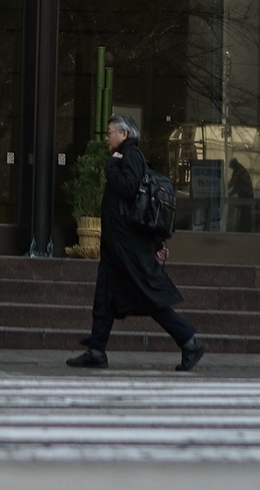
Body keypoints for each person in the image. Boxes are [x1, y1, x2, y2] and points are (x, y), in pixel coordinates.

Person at [67, 113, 206, 372]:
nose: (107, 138)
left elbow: (130, 189)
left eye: (110, 133)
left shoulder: (129, 156)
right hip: (118, 246)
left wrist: (110, 167)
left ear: (124, 134)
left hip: (126, 247)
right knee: (105, 298)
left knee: (147, 298)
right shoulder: (127, 156)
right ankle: (96, 349)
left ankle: (189, 341)